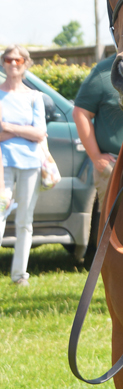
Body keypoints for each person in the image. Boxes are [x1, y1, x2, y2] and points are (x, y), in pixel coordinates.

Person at [0, 45, 46, 286]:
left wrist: (7, 128)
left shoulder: (34, 96)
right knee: (0, 215)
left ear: (25, 63)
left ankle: (19, 275)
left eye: (17, 60)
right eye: (8, 59)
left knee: (25, 221)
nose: (13, 64)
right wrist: (24, 132)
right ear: (3, 63)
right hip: (2, 165)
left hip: (30, 165)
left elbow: (40, 133)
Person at [73, 54, 123, 208]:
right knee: (113, 224)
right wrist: (96, 156)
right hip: (114, 165)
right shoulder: (104, 71)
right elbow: (80, 113)